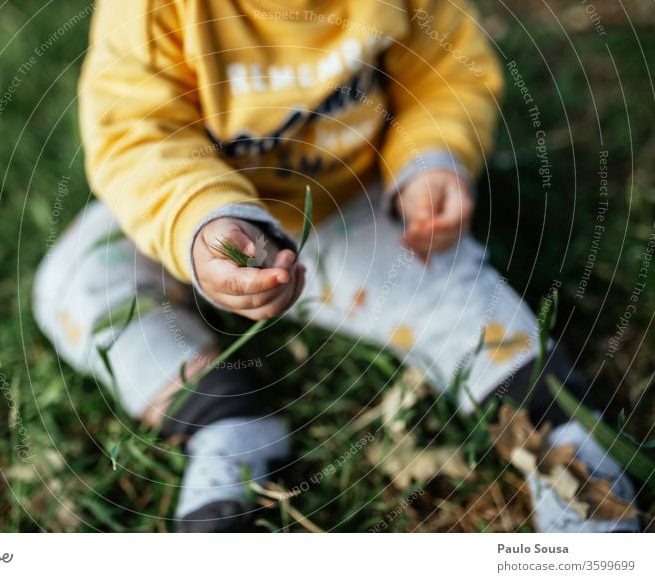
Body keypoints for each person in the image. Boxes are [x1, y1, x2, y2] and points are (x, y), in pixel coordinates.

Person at [33, 0, 639, 532]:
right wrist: (201, 224)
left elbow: (444, 73)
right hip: (200, 208)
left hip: (351, 200)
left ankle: (572, 460)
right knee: (77, 282)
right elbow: (138, 132)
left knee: (458, 304)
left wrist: (432, 159)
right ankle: (222, 419)